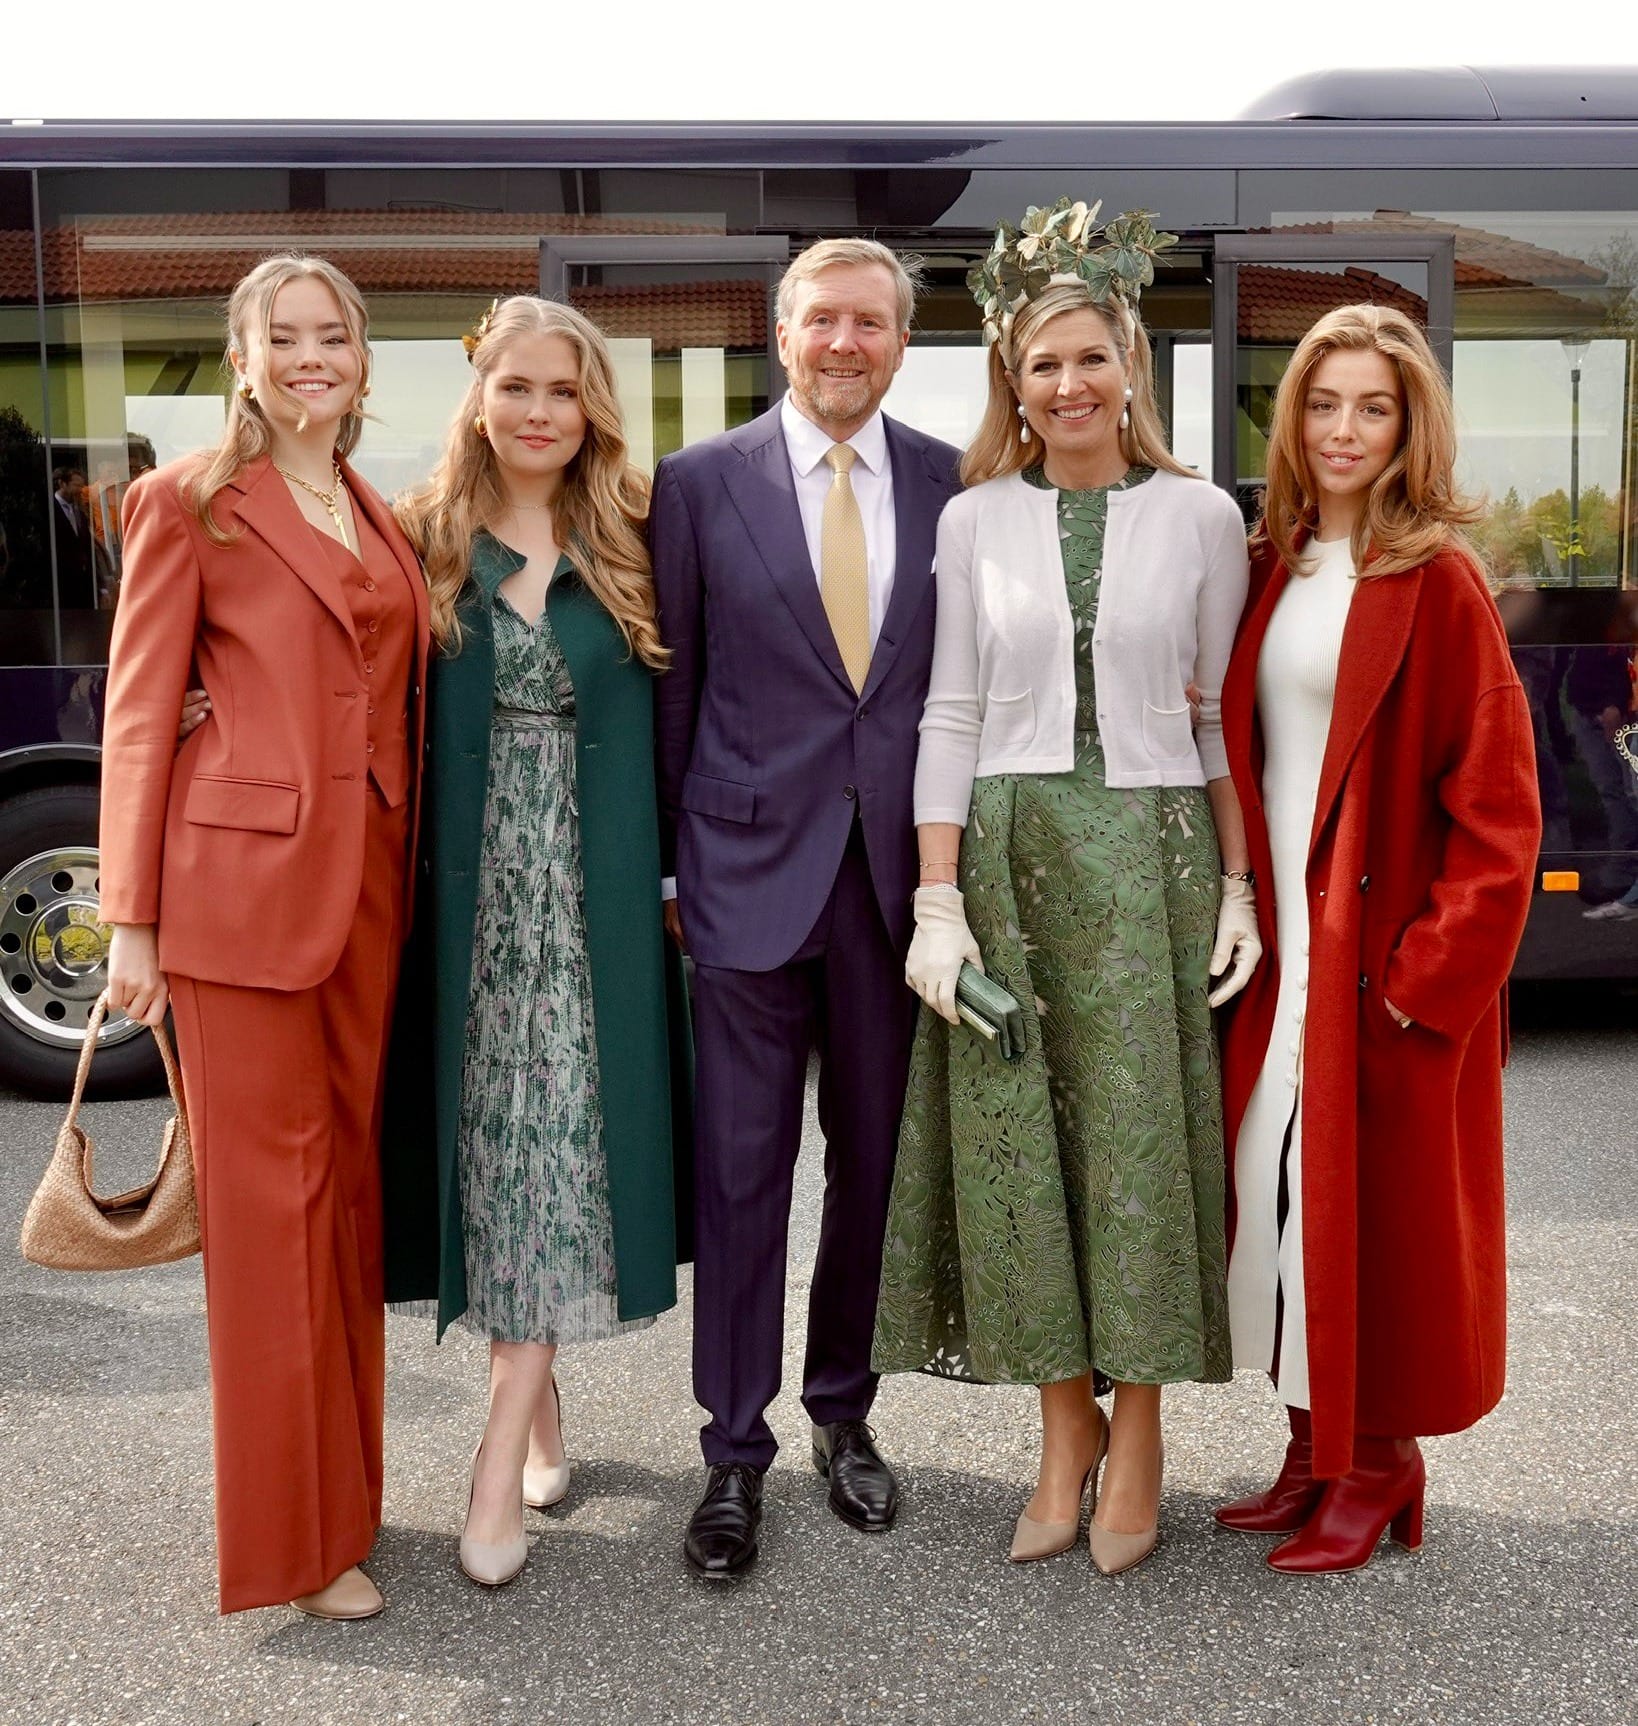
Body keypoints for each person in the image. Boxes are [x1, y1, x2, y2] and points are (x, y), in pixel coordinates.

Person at [872, 198, 1259, 1577]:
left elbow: (1215, 716)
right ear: (1011, 386)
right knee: (1019, 1147)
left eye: (1089, 357)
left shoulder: (1203, 515)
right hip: (1008, 854)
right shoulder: (973, 519)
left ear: (1129, 367)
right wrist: (934, 904)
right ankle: (1059, 1431)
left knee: (1138, 1147)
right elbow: (948, 713)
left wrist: (1236, 885)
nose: (1066, 384)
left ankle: (1139, 1428)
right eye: (1040, 365)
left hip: (1147, 864)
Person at [100, 254, 430, 1619]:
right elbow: (138, 706)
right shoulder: (190, 504)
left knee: (343, 1209)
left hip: (367, 890)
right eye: (284, 338)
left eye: (333, 337)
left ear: (360, 361)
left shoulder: (369, 503)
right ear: (241, 356)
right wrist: (130, 922)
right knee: (271, 1223)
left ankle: (345, 1505)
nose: (311, 358)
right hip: (238, 905)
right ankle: (290, 1549)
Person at [649, 238, 962, 1579]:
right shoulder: (696, 483)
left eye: (871, 323)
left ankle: (844, 1411)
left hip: (895, 889)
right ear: (781, 335)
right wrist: (669, 867)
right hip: (739, 878)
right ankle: (731, 1448)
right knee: (738, 1174)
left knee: (875, 1169)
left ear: (900, 342)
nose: (845, 342)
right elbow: (675, 682)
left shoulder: (958, 485)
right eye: (822, 319)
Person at [1215, 304, 1541, 1574]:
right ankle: (1313, 1443)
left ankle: (1382, 1464)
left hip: (1379, 967)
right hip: (1285, 959)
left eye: (1375, 407)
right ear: (1291, 416)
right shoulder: (1275, 559)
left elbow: (1502, 813)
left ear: (1410, 428)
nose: (1344, 429)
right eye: (1324, 402)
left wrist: (1424, 985)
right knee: (1278, 1201)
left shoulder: (1437, 580)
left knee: (1381, 1229)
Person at [381, 296, 688, 1589]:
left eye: (563, 390)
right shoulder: (419, 541)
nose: (539, 411)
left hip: (591, 917)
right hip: (464, 922)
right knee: (493, 1168)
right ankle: (542, 1397)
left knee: (564, 1159)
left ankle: (495, 1452)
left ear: (591, 406)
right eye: (515, 386)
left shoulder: (630, 538)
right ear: (479, 397)